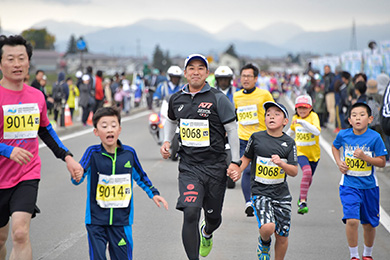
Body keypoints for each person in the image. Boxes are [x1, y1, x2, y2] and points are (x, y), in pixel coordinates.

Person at [0, 34, 82, 260]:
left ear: (29, 62)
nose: (17, 64)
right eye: (10, 59)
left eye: (21, 58)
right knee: (1, 238)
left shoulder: (36, 96)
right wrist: (8, 150)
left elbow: (45, 130)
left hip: (26, 174)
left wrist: (67, 157)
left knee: (19, 232)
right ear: (1, 63)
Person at [160, 54, 241, 260]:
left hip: (215, 167)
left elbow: (232, 130)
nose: (196, 72)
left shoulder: (218, 98)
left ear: (207, 73)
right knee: (191, 212)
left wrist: (235, 162)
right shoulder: (176, 98)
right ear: (185, 73)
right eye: (191, 68)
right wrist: (167, 141)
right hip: (189, 167)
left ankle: (207, 232)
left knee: (213, 218)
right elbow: (170, 120)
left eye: (200, 68)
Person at [72, 107, 168, 260]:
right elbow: (78, 176)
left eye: (113, 125)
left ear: (119, 129)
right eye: (104, 126)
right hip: (96, 220)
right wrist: (76, 175)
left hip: (122, 221)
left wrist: (154, 193)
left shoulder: (129, 154)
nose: (109, 129)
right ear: (96, 132)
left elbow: (141, 177)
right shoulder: (92, 153)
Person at [239, 101, 298, 260]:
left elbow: (294, 171)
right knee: (268, 228)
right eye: (268, 114)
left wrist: (282, 164)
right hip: (260, 191)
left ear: (285, 121)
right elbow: (246, 158)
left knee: (282, 236)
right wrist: (237, 170)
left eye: (276, 114)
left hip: (281, 194)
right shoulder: (256, 138)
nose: (271, 116)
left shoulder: (289, 143)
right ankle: (264, 242)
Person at [332, 102, 387, 260]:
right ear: (349, 120)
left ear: (369, 119)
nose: (358, 118)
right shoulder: (343, 135)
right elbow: (335, 147)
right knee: (352, 220)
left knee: (369, 223)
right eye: (354, 115)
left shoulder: (375, 137)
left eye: (362, 115)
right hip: (349, 185)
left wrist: (365, 158)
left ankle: (367, 254)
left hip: (369, 187)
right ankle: (354, 256)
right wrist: (339, 162)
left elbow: (382, 162)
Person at [233, 63, 274, 216]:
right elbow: (234, 115)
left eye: (249, 76)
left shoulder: (264, 95)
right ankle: (248, 202)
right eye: (243, 76)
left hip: (262, 139)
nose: (245, 79)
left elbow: (274, 113)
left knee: (262, 172)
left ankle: (261, 199)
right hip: (243, 139)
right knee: (247, 170)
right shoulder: (236, 96)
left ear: (256, 78)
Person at [286, 95, 321, 214]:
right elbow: (290, 132)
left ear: (310, 108)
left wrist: (302, 122)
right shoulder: (295, 118)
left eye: (305, 108)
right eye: (299, 108)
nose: (302, 110)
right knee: (307, 172)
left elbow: (316, 131)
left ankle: (302, 197)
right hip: (300, 152)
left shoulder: (313, 117)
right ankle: (302, 201)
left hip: (314, 154)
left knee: (309, 178)